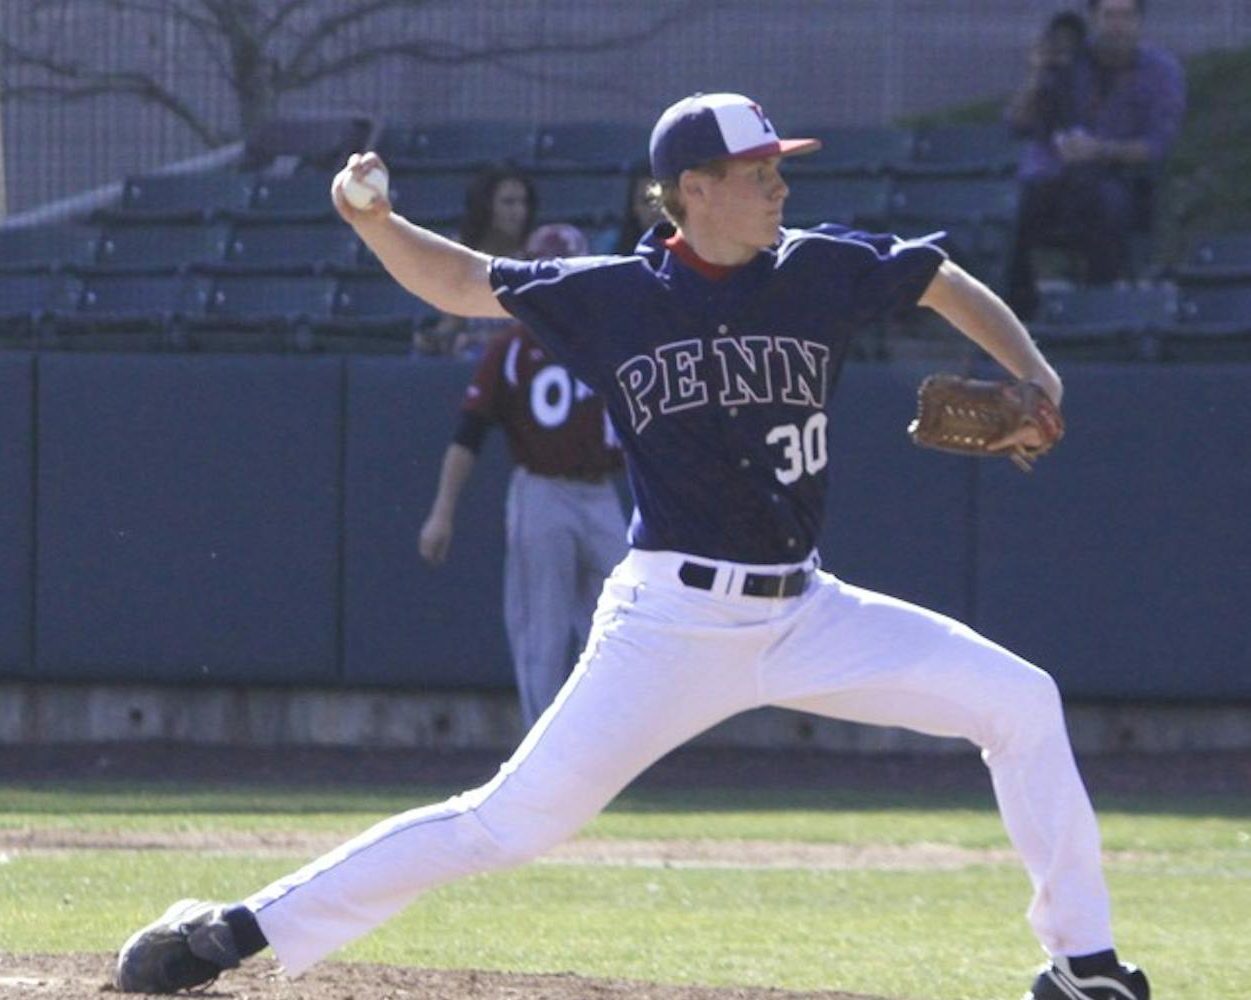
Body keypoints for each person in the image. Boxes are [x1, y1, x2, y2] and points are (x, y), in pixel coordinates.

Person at [114, 92, 1150, 1000]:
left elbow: (939, 278)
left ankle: (1083, 964)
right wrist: (374, 219)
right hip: (671, 622)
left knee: (1021, 701)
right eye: (757, 171)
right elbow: (463, 283)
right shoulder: (612, 294)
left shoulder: (823, 268)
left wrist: (1037, 377)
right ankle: (234, 928)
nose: (777, 184)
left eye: (778, 167)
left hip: (806, 611)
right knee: (503, 827)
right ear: (693, 189)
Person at [418, 221, 628, 730]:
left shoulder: (616, 340)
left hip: (603, 492)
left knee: (627, 618)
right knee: (542, 628)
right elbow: (469, 434)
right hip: (543, 490)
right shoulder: (512, 348)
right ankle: (544, 748)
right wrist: (441, 512)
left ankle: (606, 739)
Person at [1003, 0, 1186, 320]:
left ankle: (1099, 310)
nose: (1117, 25)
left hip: (1120, 179)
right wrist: (1038, 73)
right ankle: (1017, 314)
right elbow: (1016, 123)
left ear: (1139, 22)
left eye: (1125, 16)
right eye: (1109, 16)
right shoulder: (1071, 63)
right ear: (1094, 20)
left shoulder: (1161, 71)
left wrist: (1100, 150)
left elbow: (1157, 145)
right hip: (1056, 178)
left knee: (1103, 203)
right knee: (1014, 210)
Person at [413, 167, 538, 357]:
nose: (519, 211)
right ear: (485, 206)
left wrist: (488, 338)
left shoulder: (536, 252)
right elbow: (453, 322)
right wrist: (437, 339)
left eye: (523, 202)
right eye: (508, 202)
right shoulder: (461, 253)